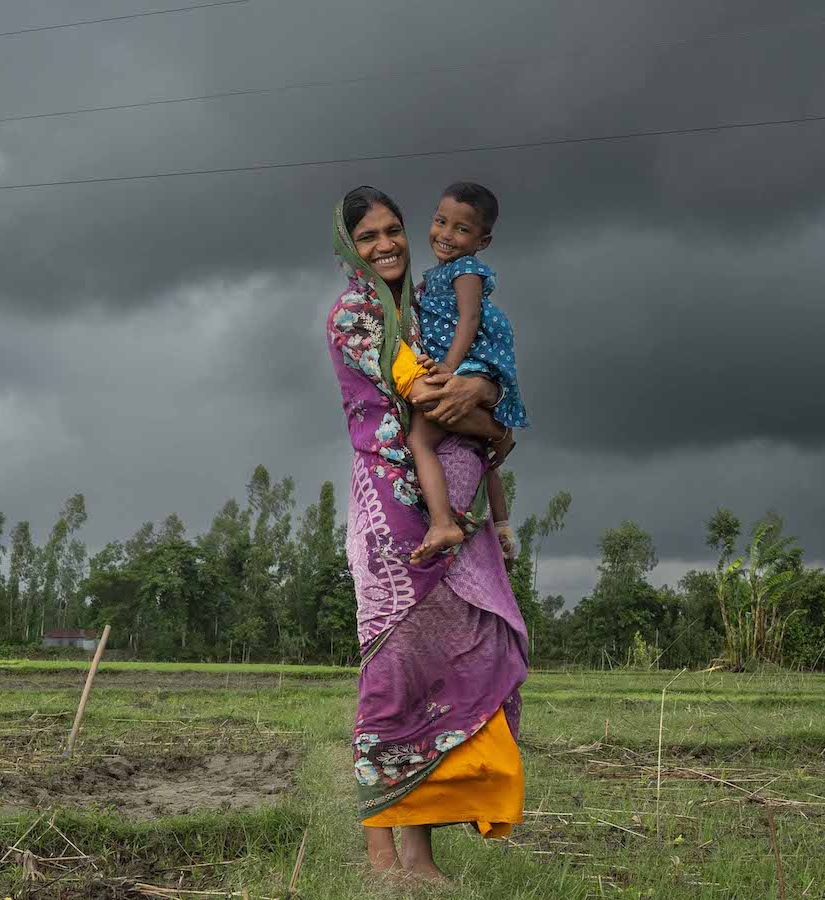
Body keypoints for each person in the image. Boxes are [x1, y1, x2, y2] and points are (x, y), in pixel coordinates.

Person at [326, 186, 529, 883]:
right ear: (347, 247)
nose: (384, 244)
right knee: (393, 670)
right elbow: (428, 398)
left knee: (438, 672)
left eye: (393, 230)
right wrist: (495, 425)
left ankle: (415, 851)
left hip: (443, 511)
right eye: (366, 237)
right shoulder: (357, 314)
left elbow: (475, 377)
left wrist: (488, 402)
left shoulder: (424, 305)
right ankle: (386, 854)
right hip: (392, 512)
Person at [397, 182, 527, 564]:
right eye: (441, 222)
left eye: (462, 229)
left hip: (466, 366)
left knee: (421, 439)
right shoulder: (432, 277)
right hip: (455, 365)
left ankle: (442, 522)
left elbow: (469, 319)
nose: (446, 235)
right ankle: (501, 525)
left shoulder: (467, 270)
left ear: (482, 241)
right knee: (483, 452)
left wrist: (450, 367)